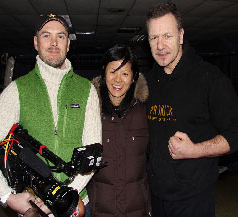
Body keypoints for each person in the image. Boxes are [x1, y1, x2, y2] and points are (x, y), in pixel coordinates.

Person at [0, 14, 101, 216]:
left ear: (68, 44)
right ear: (36, 42)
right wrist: (6, 196)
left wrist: (64, 196)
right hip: (33, 208)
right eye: (46, 36)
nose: (54, 43)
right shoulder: (18, 89)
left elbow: (92, 153)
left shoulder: (86, 89)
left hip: (76, 203)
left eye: (60, 36)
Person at [145, 3, 238, 217]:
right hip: (155, 195)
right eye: (153, 38)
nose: (160, 46)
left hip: (194, 197)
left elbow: (235, 134)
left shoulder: (210, 79)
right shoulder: (148, 82)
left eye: (167, 36)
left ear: (180, 35)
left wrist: (194, 150)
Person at [87, 44, 152, 217]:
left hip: (137, 209)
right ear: (103, 72)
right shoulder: (90, 110)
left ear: (133, 77)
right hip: (100, 209)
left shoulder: (144, 111)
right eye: (112, 71)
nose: (118, 80)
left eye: (125, 74)